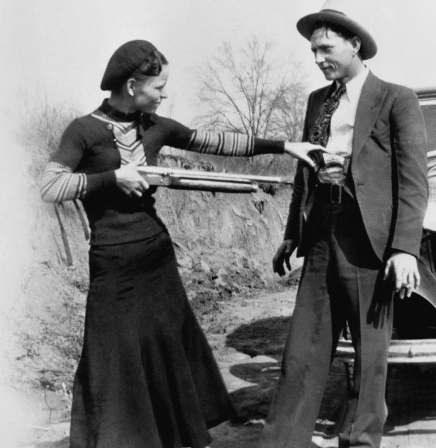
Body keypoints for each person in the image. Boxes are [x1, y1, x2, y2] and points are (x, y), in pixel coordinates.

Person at [40, 40, 321, 448]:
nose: (164, 95)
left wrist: (284, 146)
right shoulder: (82, 130)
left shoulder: (157, 126)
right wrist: (112, 178)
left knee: (164, 351)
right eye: (159, 87)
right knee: (111, 355)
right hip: (113, 264)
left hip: (156, 256)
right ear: (133, 85)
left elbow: (217, 142)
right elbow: (50, 186)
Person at [260, 2, 428, 448]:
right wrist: (292, 232)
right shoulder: (317, 101)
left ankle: (360, 441)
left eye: (326, 49)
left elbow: (414, 180)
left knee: (371, 357)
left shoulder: (397, 98)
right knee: (301, 351)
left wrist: (405, 248)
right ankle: (282, 443)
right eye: (313, 51)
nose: (317, 59)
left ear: (354, 45)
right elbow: (305, 170)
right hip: (321, 232)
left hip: (368, 240)